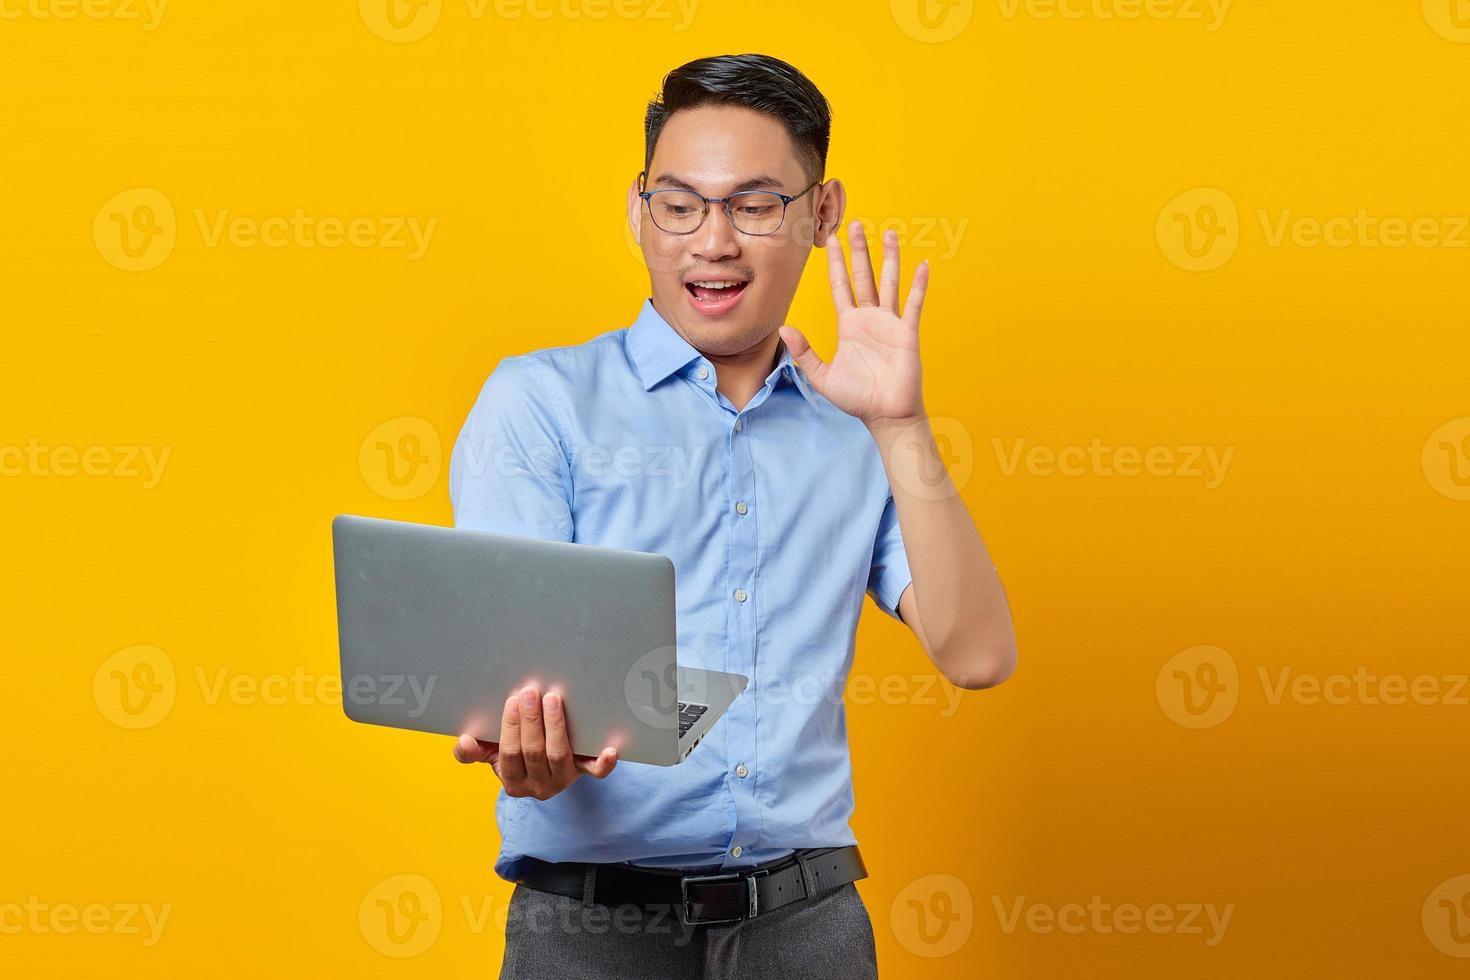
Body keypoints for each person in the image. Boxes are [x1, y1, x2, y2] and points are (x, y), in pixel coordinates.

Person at [447, 52, 1017, 979]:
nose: (711, 241)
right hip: (591, 933)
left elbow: (979, 654)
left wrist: (901, 425)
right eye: (679, 205)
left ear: (821, 213)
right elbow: (513, 682)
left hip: (810, 928)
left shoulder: (857, 426)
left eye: (754, 206)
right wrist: (525, 750)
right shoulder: (539, 403)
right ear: (639, 212)